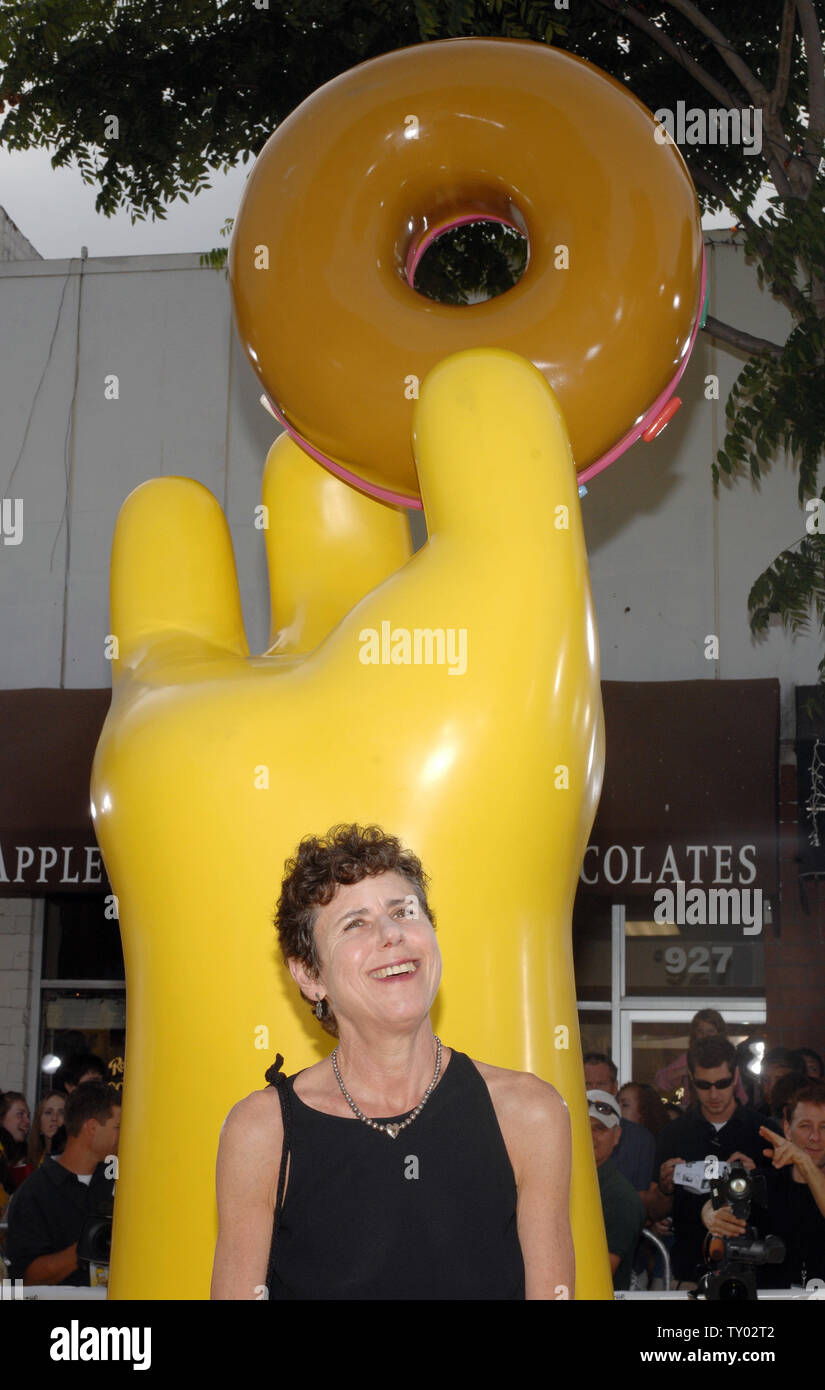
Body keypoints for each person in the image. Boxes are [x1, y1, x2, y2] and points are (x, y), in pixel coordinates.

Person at [212, 823, 574, 1301]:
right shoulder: (263, 1131)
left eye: (404, 911)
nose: (391, 935)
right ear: (309, 974)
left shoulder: (528, 1113)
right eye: (354, 923)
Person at [654, 1035, 780, 1288]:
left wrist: (758, 1180)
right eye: (703, 1085)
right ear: (691, 1078)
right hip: (688, 1271)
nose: (713, 1094)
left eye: (722, 1084)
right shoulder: (673, 1133)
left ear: (735, 1077)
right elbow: (655, 1212)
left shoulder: (765, 1132)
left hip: (754, 1272)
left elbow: (786, 1209)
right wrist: (666, 1188)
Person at [701, 1080, 825, 1288]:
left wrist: (804, 1162)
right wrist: (710, 1213)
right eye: (805, 1126)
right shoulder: (765, 1182)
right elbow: (721, 1200)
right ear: (787, 1128)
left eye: (824, 1127)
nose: (815, 1137)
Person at [6, 1082, 120, 1286]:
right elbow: (23, 1279)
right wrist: (87, 1246)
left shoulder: (120, 1183)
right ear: (92, 1128)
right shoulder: (34, 1193)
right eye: (118, 1127)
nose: (124, 1136)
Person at [587, 1089, 645, 1292]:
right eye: (582, 1125)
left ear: (616, 1135)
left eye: (599, 1128)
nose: (589, 1135)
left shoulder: (619, 1197)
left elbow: (596, 1275)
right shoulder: (561, 1181)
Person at [584, 1054, 655, 1196]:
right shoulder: (562, 1133)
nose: (593, 1090)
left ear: (615, 1087)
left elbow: (643, 1198)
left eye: (601, 1084)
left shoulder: (640, 1139)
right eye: (586, 1084)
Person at [0, 1092, 33, 1201]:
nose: (27, 1121)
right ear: (2, 1117)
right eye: (20, 1114)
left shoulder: (23, 1157)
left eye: (28, 1116)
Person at [27, 1092, 66, 1169]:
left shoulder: (76, 1161)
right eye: (48, 1112)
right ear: (39, 1123)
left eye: (61, 1113)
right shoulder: (30, 1162)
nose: (54, 1118)